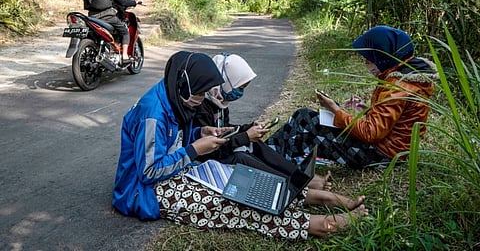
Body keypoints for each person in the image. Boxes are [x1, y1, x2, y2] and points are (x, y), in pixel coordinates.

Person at [112, 50, 368, 240]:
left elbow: (174, 142)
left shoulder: (172, 96)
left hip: (177, 172)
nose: (202, 100)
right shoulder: (153, 115)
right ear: (183, 85)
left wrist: (201, 132)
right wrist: (195, 149)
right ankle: (317, 225)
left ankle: (316, 197)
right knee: (230, 203)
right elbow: (148, 172)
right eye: (200, 94)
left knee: (241, 180)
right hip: (146, 191)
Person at [267, 25, 438, 169]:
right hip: (390, 149)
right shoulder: (405, 75)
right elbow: (395, 121)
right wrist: (366, 110)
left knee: (305, 121)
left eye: (369, 61)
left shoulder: (398, 86)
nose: (367, 66)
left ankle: (267, 158)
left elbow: (371, 133)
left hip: (381, 156)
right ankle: (273, 157)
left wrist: (335, 109)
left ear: (383, 57)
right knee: (303, 117)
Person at [194, 52, 332, 190]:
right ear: (225, 82)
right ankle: (293, 187)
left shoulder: (219, 103)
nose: (240, 93)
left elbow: (225, 129)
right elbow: (211, 150)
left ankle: (301, 179)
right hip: (208, 159)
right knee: (242, 157)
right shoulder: (202, 108)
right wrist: (245, 136)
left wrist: (247, 128)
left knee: (257, 145)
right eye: (240, 87)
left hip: (220, 149)